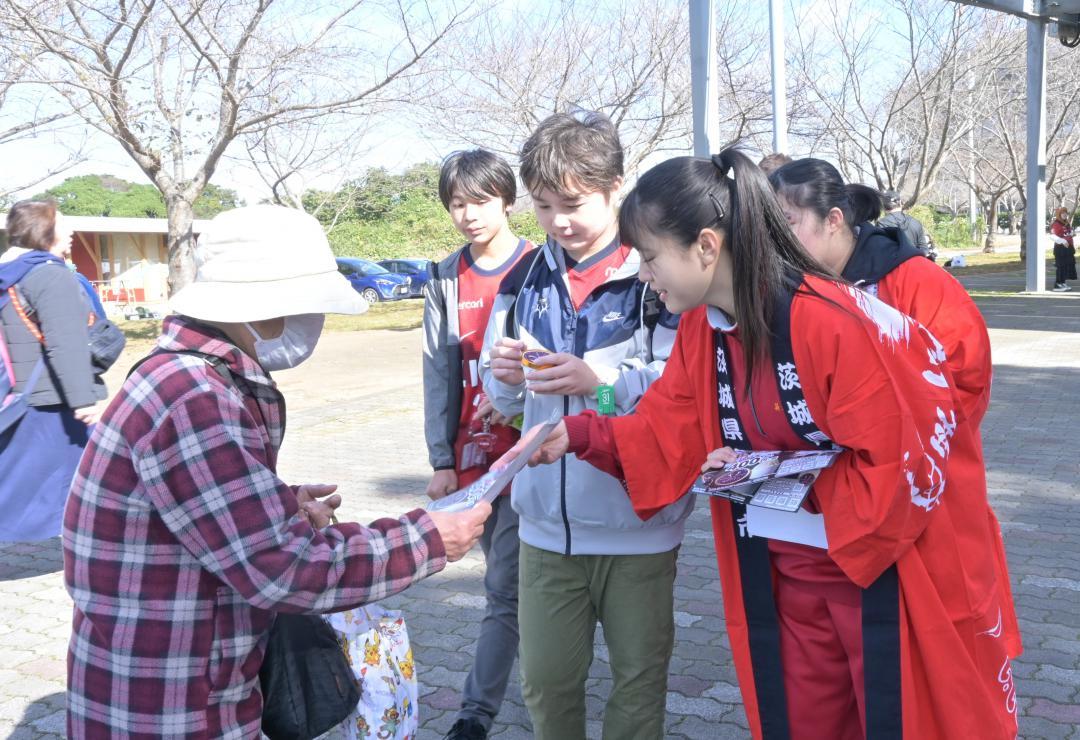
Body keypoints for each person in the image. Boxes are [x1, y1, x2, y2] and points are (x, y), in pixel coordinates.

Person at [513, 149, 1020, 739]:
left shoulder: (834, 319)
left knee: (901, 717)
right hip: (784, 578)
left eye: (650, 259)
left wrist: (768, 473)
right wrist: (574, 434)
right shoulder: (704, 327)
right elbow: (665, 426)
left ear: (707, 245)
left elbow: (902, 462)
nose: (643, 277)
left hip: (883, 568)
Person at [63, 204, 492, 738]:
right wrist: (428, 538)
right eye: (307, 306)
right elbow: (284, 569)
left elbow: (189, 511)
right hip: (174, 702)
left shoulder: (185, 376)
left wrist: (276, 502)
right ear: (258, 304)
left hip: (174, 677)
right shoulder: (195, 397)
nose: (313, 323)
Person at [480, 111, 687, 740]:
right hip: (543, 525)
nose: (558, 222)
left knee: (638, 684)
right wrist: (506, 379)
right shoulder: (522, 279)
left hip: (638, 524)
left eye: (572, 203)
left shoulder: (657, 277)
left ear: (615, 187)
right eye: (543, 207)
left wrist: (594, 382)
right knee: (546, 684)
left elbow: (680, 393)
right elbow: (500, 396)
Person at [422, 149, 534, 740]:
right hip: (471, 456)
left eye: (480, 200)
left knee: (503, 589)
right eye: (457, 203)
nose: (468, 214)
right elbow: (437, 369)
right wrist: (441, 458)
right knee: (507, 586)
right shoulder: (445, 274)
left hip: (531, 450)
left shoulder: (537, 266)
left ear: (507, 200)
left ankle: (475, 714)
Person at [0, 200, 105, 542]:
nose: (71, 230)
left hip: (21, 397)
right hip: (54, 403)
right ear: (45, 229)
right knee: (72, 487)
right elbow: (67, 343)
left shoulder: (12, 274)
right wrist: (84, 400)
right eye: (63, 222)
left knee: (16, 482)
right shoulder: (50, 275)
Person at [877, 189, 935, 260]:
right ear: (901, 203)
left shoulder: (881, 224)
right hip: (914, 266)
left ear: (884, 206)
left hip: (895, 268)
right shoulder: (915, 222)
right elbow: (924, 249)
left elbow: (881, 252)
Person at [1050, 206, 1076, 291]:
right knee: (1060, 266)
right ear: (1059, 214)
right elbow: (1052, 236)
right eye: (1062, 213)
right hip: (1060, 249)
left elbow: (1068, 232)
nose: (1065, 214)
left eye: (1066, 213)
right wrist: (1062, 241)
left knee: (1066, 266)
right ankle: (1057, 285)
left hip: (1068, 248)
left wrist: (1072, 233)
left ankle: (1062, 282)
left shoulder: (1066, 223)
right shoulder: (1056, 223)